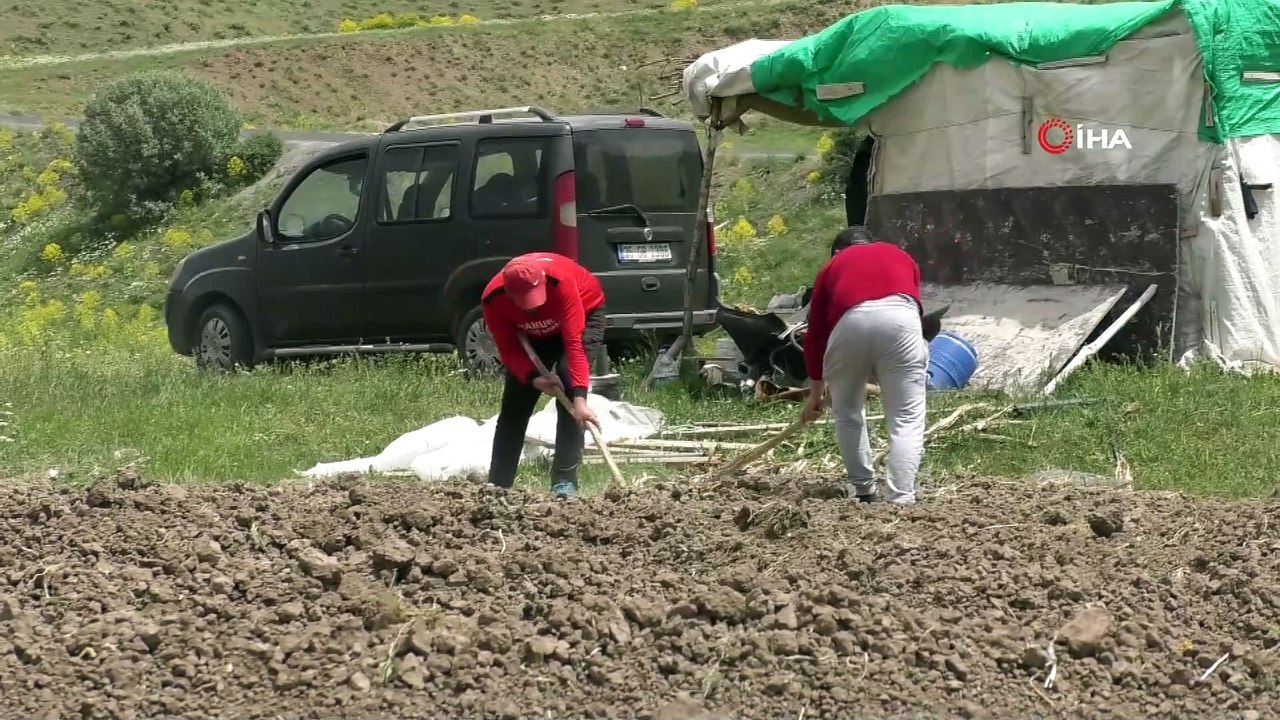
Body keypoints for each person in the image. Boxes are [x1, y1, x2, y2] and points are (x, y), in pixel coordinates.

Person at [798, 226, 928, 505]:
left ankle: (863, 491)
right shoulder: (900, 255)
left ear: (837, 252)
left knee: (847, 412)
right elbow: (911, 310)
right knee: (906, 417)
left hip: (850, 323)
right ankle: (901, 497)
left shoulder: (832, 266)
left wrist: (815, 397)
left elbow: (816, 336)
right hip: (902, 320)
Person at [481, 252, 607, 496]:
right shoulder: (493, 299)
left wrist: (580, 400)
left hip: (584, 313)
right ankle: (498, 485)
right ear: (509, 294)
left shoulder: (560, 283)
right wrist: (533, 379)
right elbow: (508, 349)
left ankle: (564, 482)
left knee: (569, 388)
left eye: (536, 297)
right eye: (526, 301)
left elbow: (574, 345)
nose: (534, 306)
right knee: (515, 403)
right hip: (529, 333)